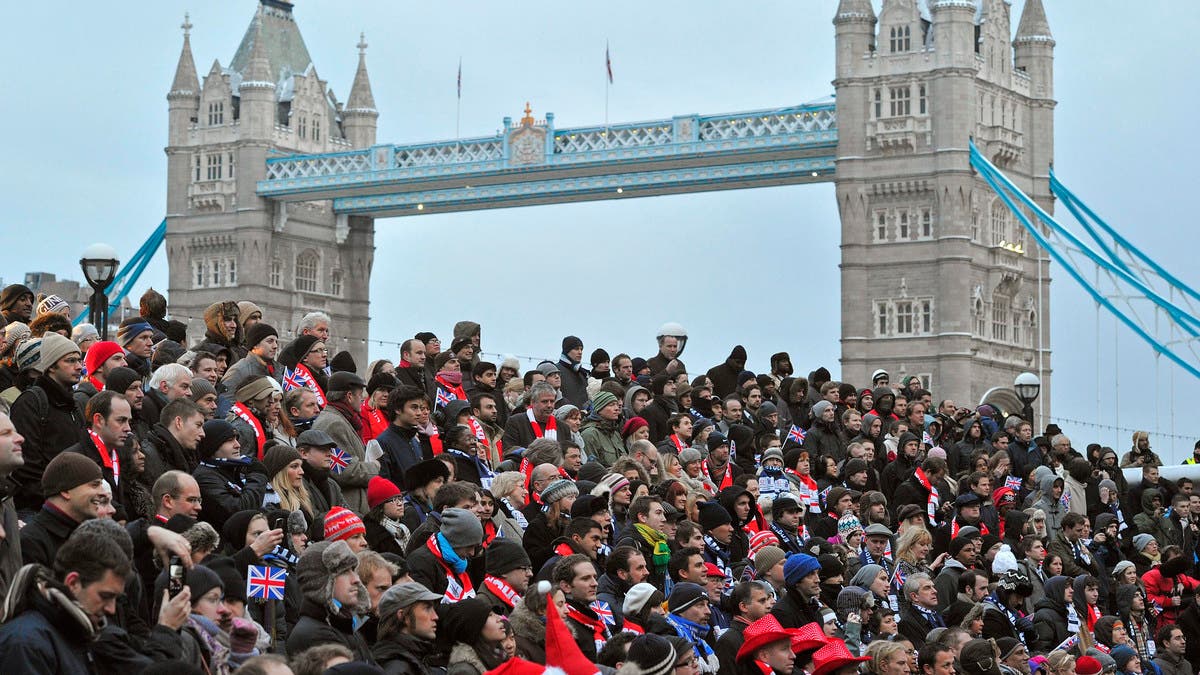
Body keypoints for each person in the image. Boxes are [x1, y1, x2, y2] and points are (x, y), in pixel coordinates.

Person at [9, 333, 86, 514]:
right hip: (41, 508)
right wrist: (56, 499)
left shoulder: (73, 404)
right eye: (70, 361)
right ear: (51, 366)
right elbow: (26, 466)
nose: (78, 367)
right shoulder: (31, 402)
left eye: (79, 360)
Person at [286, 540, 372, 662]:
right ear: (321, 582)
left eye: (353, 570)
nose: (356, 579)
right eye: (344, 572)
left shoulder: (344, 623)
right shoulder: (316, 635)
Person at [314, 371, 378, 514]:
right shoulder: (333, 424)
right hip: (348, 508)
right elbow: (344, 470)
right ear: (349, 396)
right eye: (360, 395)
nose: (363, 399)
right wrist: (375, 467)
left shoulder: (341, 419)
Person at [407, 507, 483, 602]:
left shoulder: (459, 562)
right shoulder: (420, 562)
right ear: (456, 541)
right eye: (469, 546)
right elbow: (426, 608)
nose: (472, 553)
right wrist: (474, 608)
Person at [372, 582, 442, 675]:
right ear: (403, 616)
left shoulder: (414, 658)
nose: (435, 616)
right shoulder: (396, 667)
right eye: (427, 608)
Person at [771, 553, 823, 628]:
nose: (817, 580)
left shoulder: (815, 610)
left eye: (817, 573)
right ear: (796, 581)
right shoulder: (782, 613)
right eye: (810, 575)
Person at [899, 573, 944, 648]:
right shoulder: (907, 623)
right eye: (927, 588)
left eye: (933, 587)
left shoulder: (936, 614)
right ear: (914, 596)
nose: (935, 591)